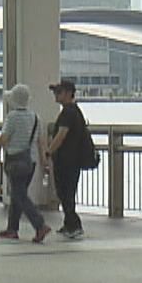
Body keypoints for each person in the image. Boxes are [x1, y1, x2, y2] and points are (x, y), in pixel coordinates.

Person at [0, 84, 50, 243]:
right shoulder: (36, 117)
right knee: (18, 194)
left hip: (16, 161)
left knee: (19, 195)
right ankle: (12, 229)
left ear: (14, 100)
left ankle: (39, 224)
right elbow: (41, 141)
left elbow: (4, 137)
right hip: (31, 162)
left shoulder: (13, 117)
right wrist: (44, 160)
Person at [46, 79, 93, 240]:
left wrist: (48, 151)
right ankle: (69, 223)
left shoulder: (68, 112)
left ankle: (74, 225)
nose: (55, 95)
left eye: (58, 92)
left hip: (67, 161)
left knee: (65, 192)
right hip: (72, 160)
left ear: (66, 93)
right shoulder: (75, 111)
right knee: (67, 192)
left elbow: (61, 134)